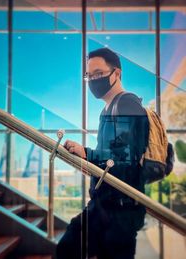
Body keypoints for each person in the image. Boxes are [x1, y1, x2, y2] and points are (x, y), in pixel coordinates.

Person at [56, 48, 149, 259]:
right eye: (89, 75)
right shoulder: (107, 109)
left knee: (69, 248)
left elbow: (126, 158)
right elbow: (112, 154)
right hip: (104, 204)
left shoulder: (127, 103)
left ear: (117, 73)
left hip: (120, 210)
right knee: (68, 248)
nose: (93, 80)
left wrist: (87, 153)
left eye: (98, 73)